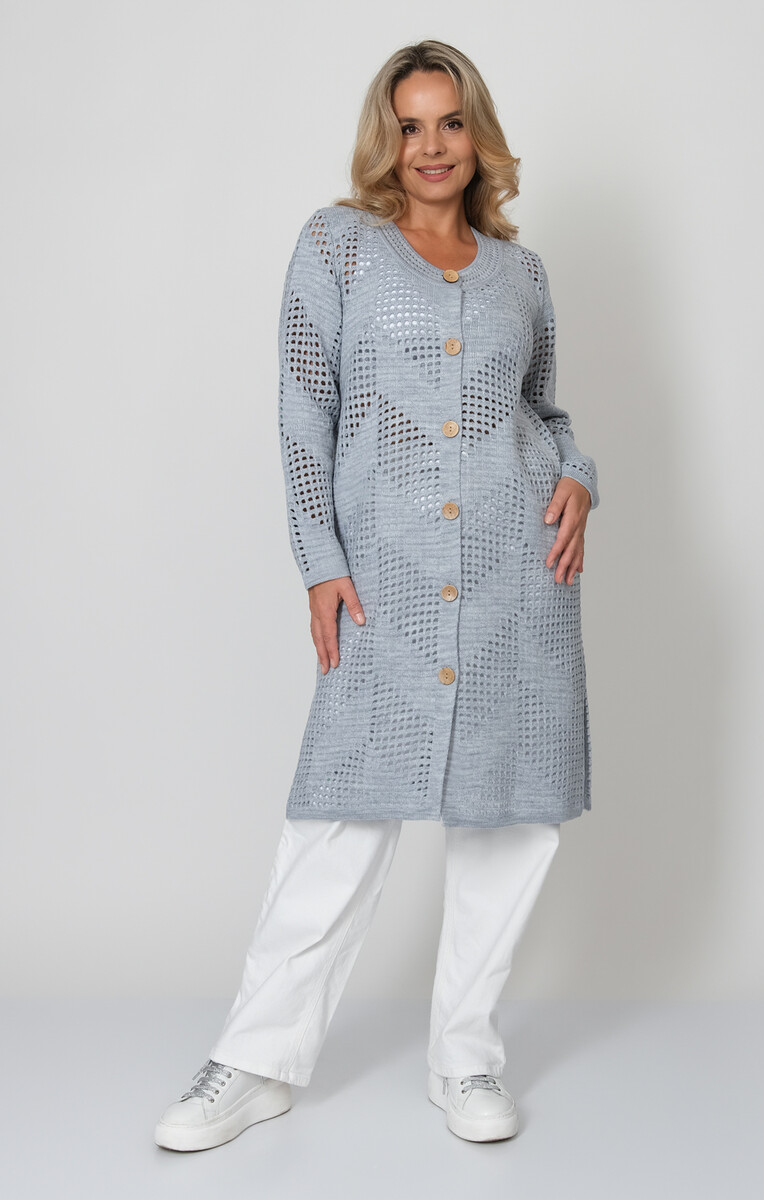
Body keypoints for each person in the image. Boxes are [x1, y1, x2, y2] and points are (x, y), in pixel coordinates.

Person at [155, 38, 599, 1150]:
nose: (431, 146)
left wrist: (579, 479)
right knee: (340, 812)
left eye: (449, 122)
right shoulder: (338, 245)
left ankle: (466, 1058)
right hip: (387, 578)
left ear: (477, 134)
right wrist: (320, 560)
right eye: (409, 126)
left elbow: (543, 414)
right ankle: (255, 1061)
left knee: (509, 822)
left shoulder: (521, 275)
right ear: (384, 139)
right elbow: (303, 408)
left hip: (514, 579)